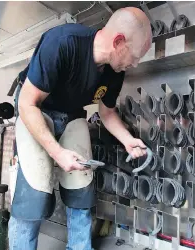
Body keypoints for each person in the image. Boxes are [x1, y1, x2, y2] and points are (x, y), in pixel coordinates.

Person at [8, 7, 152, 250]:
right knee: (33, 196)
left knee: (81, 191)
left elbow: (106, 113)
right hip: (36, 108)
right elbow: (27, 103)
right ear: (118, 42)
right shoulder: (63, 43)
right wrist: (57, 152)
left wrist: (127, 139)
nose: (135, 64)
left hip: (72, 114)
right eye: (135, 56)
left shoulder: (115, 72)